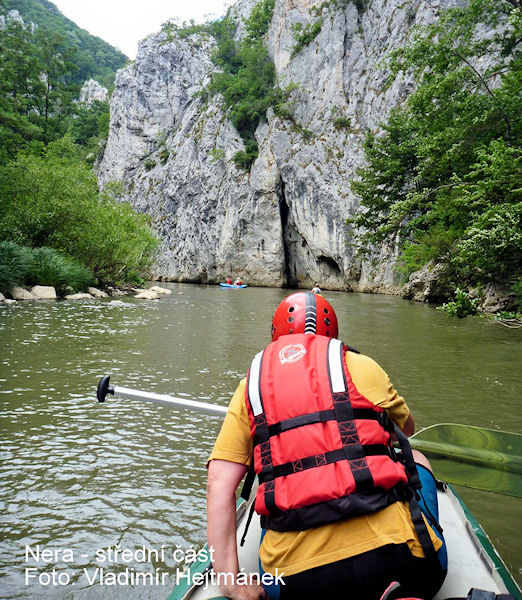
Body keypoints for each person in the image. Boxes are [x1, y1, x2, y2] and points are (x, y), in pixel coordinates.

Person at [207, 292, 447, 600]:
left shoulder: (250, 387)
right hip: (405, 565)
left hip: (297, 585)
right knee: (415, 457)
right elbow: (407, 429)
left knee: (265, 492)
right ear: (333, 334)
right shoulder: (361, 365)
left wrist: (231, 584)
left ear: (275, 334)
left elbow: (219, 483)